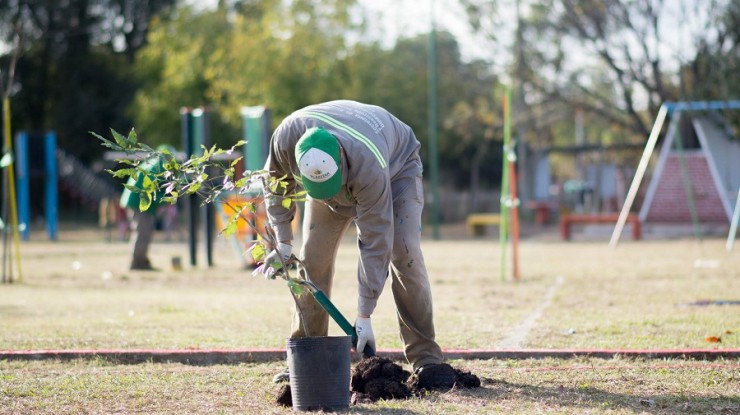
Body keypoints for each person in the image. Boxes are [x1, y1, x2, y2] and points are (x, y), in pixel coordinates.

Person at [254, 100, 456, 387]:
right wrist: (283, 239)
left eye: (331, 186)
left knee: (404, 254)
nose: (329, 195)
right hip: (340, 167)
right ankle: (306, 357)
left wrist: (364, 314)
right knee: (311, 259)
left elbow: (375, 242)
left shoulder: (368, 166)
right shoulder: (286, 139)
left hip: (396, 169)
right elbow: (275, 186)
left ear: (339, 161)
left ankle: (426, 359)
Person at [119, 148, 168, 271]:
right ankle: (136, 262)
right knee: (142, 231)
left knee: (145, 231)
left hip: (137, 200)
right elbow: (151, 188)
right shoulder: (157, 166)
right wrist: (165, 199)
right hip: (137, 202)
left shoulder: (153, 163)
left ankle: (141, 260)